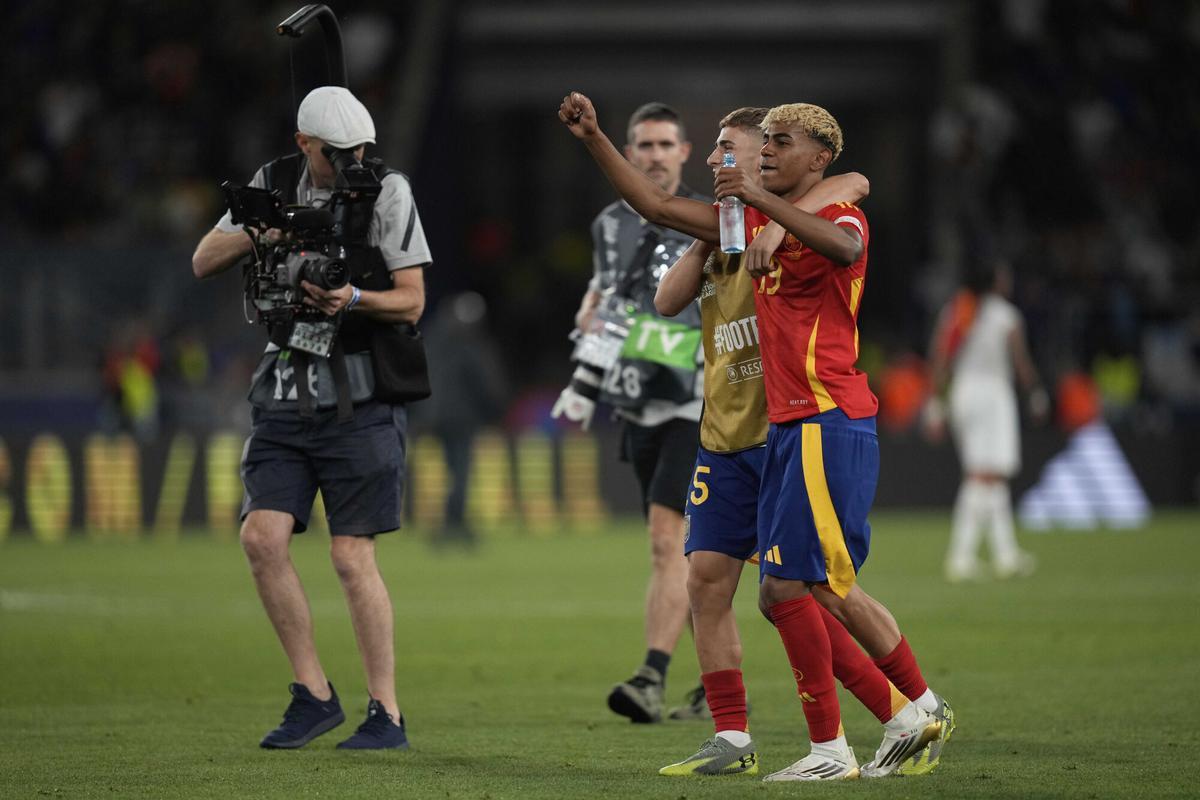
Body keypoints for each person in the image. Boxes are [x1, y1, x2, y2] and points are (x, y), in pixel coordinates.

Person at [558, 91, 948, 780]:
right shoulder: (730, 231)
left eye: (753, 147)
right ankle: (759, 737)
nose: (732, 159)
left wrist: (767, 205)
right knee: (732, 583)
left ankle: (905, 710)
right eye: (754, 145)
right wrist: (594, 139)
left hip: (805, 423)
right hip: (731, 433)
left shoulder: (818, 213)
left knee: (807, 589)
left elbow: (849, 202)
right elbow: (663, 279)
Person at [191, 86, 431, 750]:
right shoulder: (273, 183)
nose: (353, 163)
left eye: (361, 152)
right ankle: (314, 694)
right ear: (304, 145)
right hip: (284, 394)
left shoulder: (387, 191)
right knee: (261, 539)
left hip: (359, 396)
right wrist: (263, 233)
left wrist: (350, 295)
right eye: (337, 153)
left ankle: (385, 712)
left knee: (352, 558)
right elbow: (203, 260)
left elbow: (411, 302)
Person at [554, 102, 709, 723]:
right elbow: (604, 295)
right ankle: (721, 687)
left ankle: (651, 676)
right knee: (693, 555)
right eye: (642, 145)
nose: (653, 155)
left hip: (693, 402)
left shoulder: (708, 220)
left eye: (664, 144)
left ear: (684, 151)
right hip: (634, 404)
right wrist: (590, 323)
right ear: (629, 150)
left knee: (664, 542)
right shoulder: (608, 225)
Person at [924, 259, 1047, 581]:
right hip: (993, 395)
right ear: (995, 281)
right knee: (983, 475)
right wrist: (1035, 392)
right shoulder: (1006, 316)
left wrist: (937, 401)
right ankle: (961, 556)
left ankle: (1005, 554)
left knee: (991, 475)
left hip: (963, 394)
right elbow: (1021, 363)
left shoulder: (958, 311)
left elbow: (941, 356)